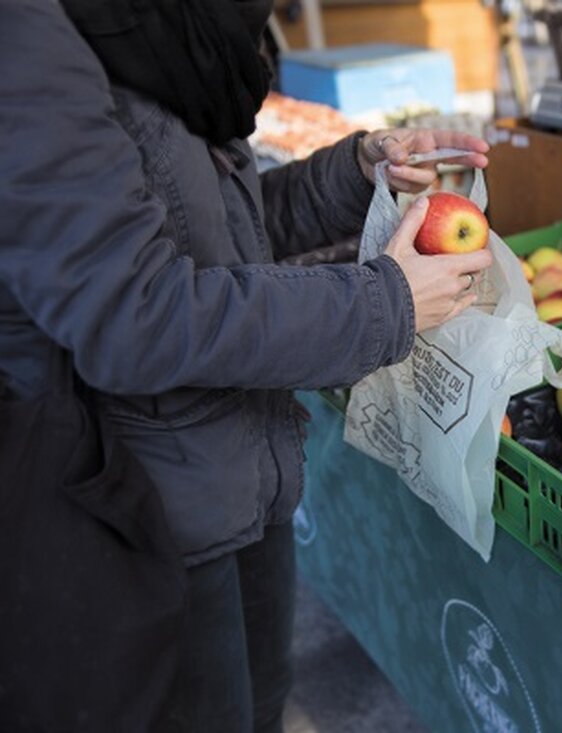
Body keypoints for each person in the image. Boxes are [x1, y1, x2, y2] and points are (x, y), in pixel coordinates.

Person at [0, 0, 493, 730]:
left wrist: (352, 175)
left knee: (260, 704)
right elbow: (134, 314)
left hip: (237, 475)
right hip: (134, 515)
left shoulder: (168, 29)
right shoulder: (28, 36)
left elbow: (211, 237)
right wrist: (382, 304)